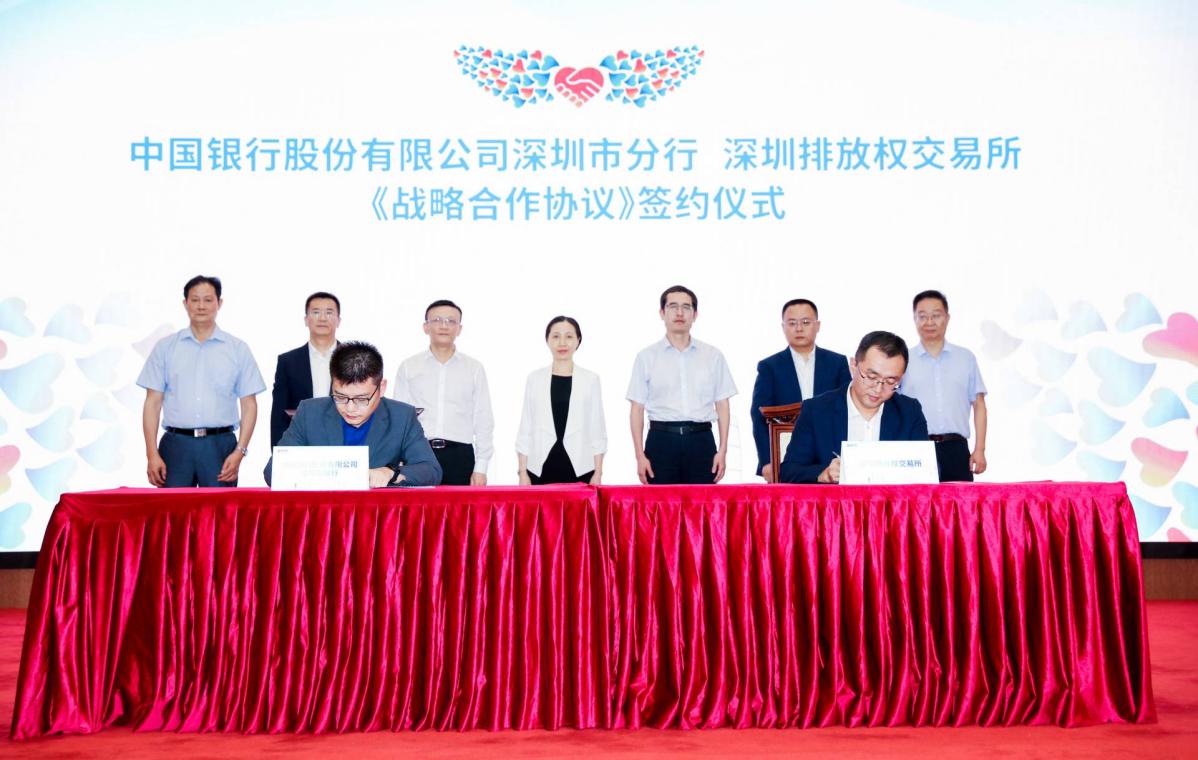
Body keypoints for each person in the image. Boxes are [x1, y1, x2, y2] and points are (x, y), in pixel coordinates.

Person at [138, 275, 266, 487]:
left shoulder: (237, 349)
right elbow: (152, 402)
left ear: (219, 303)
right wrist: (151, 453)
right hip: (176, 446)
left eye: (208, 300)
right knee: (173, 508)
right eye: (195, 300)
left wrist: (240, 451)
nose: (201, 306)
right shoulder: (166, 348)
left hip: (220, 446)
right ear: (185, 303)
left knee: (220, 508)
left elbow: (249, 404)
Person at [264, 341, 441, 487]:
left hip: (376, 514)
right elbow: (272, 472)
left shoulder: (402, 416)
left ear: (381, 388)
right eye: (340, 397)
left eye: (362, 399)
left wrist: (390, 474)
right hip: (324, 513)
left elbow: (431, 470)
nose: (350, 408)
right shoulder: (309, 413)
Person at [779, 331, 929, 484]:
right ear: (853, 366)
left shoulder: (909, 412)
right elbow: (788, 471)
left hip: (889, 500)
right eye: (871, 377)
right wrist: (823, 474)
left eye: (891, 381)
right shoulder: (816, 410)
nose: (878, 389)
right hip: (837, 500)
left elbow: (929, 470)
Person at [627, 285, 737, 485]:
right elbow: (637, 409)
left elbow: (723, 405)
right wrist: (639, 456)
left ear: (695, 315)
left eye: (686, 307)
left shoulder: (713, 356)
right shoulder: (646, 357)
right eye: (673, 306)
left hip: (701, 441)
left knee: (702, 503)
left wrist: (722, 450)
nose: (679, 313)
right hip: (661, 441)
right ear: (662, 313)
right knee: (660, 504)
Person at [392, 300, 495, 486]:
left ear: (459, 329)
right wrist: (398, 460)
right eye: (437, 320)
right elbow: (399, 419)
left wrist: (481, 467)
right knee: (418, 506)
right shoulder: (409, 367)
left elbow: (483, 419)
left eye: (451, 321)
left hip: (460, 455)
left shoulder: (474, 368)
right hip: (418, 454)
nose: (444, 325)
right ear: (426, 327)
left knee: (460, 506)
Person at [750, 298, 852, 482]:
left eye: (805, 322)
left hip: (829, 451)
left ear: (817, 325)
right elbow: (759, 416)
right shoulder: (769, 366)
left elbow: (848, 408)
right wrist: (766, 461)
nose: (799, 328)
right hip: (787, 454)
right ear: (783, 327)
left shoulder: (837, 363)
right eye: (792, 323)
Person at [900, 290, 988, 482]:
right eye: (922, 316)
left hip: (955, 449)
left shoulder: (965, 358)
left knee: (959, 501)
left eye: (936, 315)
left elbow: (979, 405)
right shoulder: (903, 359)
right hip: (914, 450)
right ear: (914, 319)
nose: (929, 322)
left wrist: (979, 449)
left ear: (947, 318)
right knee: (916, 501)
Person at [516, 316, 607, 485]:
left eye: (569, 336)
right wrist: (522, 472)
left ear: (578, 340)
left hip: (580, 467)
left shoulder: (590, 379)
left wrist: (598, 473)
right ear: (547, 340)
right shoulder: (535, 379)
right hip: (540, 467)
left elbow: (597, 428)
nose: (562, 343)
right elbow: (525, 428)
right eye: (556, 336)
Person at [270, 291, 341, 449]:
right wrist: (278, 452)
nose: (322, 318)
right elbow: (278, 414)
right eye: (316, 312)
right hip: (301, 444)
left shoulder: (353, 358)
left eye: (329, 312)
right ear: (306, 320)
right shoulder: (288, 361)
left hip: (345, 442)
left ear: (338, 320)